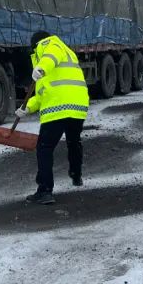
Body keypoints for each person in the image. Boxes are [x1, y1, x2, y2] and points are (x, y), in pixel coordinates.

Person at [15, 30, 89, 204]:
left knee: (45, 147)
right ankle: (76, 175)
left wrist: (41, 66)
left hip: (58, 107)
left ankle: (45, 191)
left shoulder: (50, 45)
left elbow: (51, 55)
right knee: (73, 141)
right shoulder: (68, 53)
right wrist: (27, 108)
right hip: (78, 106)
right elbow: (42, 94)